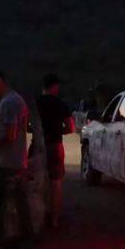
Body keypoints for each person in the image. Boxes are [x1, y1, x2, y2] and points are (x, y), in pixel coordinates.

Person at [0, 68, 35, 249]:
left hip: (7, 163)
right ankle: (27, 245)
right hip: (18, 161)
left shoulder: (8, 102)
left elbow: (10, 135)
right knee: (21, 206)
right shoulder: (17, 99)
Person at [35, 73, 75, 230]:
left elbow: (26, 125)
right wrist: (59, 131)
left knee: (36, 181)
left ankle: (37, 216)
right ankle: (54, 219)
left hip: (37, 145)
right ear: (55, 87)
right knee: (56, 183)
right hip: (55, 145)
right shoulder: (60, 104)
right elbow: (71, 128)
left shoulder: (35, 103)